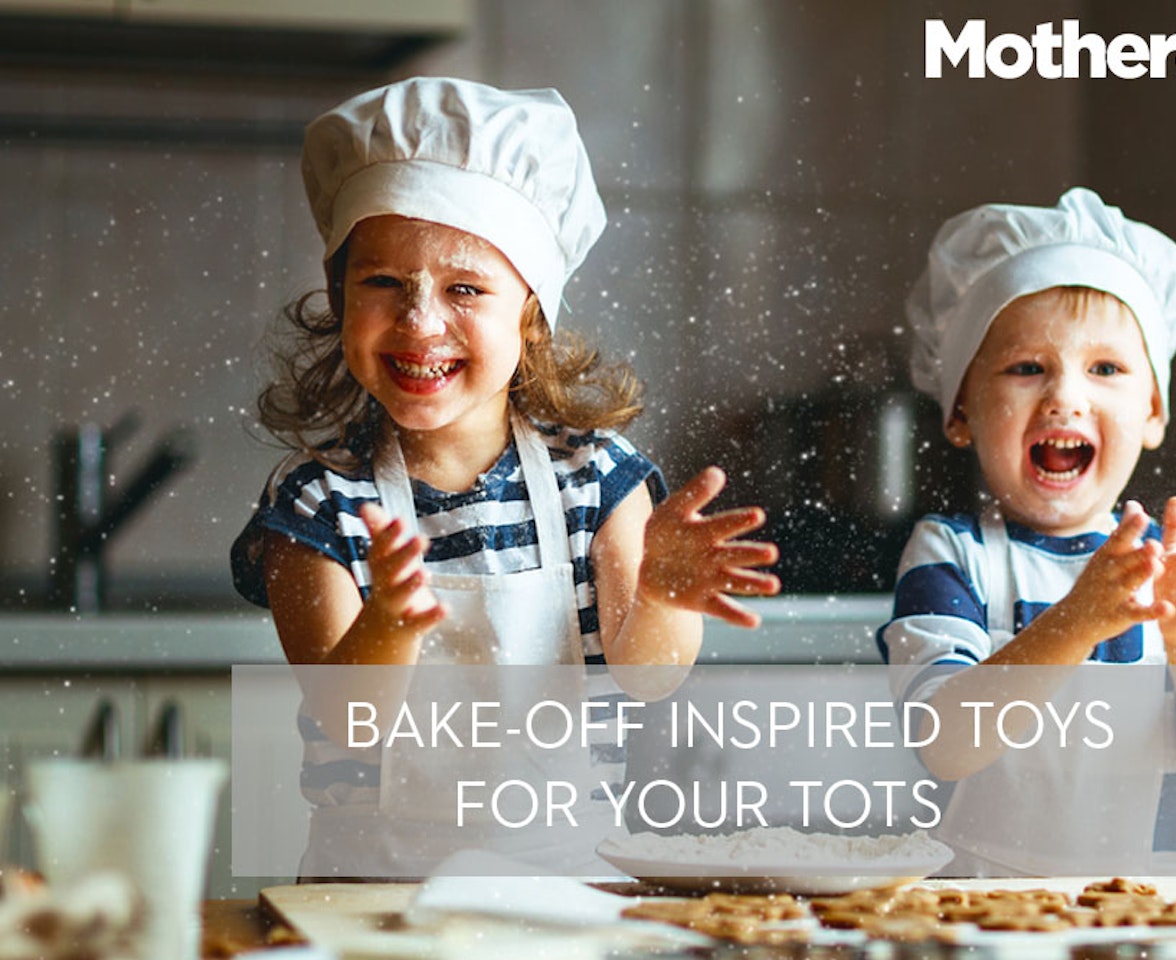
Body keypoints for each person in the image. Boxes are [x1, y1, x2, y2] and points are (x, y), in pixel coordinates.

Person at [229, 77, 779, 876]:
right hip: (368, 899)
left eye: (464, 288)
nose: (419, 321)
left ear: (531, 312)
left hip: (568, 890)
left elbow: (649, 679)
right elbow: (349, 720)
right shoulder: (317, 505)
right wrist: (390, 621)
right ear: (338, 297)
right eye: (382, 282)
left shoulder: (597, 480)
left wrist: (659, 594)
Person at [880, 187, 1176, 877]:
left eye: (1106, 370)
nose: (1065, 396)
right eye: (1027, 368)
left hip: (1149, 917)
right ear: (962, 409)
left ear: (1152, 412)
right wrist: (1075, 623)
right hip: (977, 919)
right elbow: (942, 741)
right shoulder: (952, 554)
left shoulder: (1171, 569)